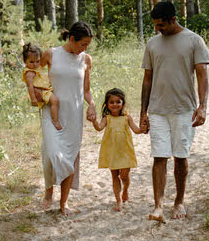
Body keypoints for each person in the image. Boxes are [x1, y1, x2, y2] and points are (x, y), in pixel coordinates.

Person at [139, 1, 209, 221]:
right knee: (159, 157)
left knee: (180, 156)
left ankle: (179, 202)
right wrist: (143, 112)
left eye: (161, 25)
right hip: (158, 110)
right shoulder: (152, 44)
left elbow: (202, 75)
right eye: (155, 25)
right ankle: (158, 206)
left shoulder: (193, 40)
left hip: (183, 109)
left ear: (173, 20)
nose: (157, 29)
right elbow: (147, 79)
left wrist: (203, 106)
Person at [40, 21, 97, 215]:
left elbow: (86, 90)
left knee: (70, 155)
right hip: (51, 111)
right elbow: (35, 79)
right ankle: (49, 189)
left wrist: (92, 104)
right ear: (72, 39)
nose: (85, 48)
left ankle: (63, 203)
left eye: (87, 45)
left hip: (74, 113)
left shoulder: (86, 59)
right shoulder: (50, 54)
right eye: (83, 44)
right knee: (52, 152)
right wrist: (38, 97)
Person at [92, 88, 144, 211]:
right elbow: (99, 128)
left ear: (123, 103)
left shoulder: (127, 118)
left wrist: (144, 127)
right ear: (107, 104)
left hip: (125, 152)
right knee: (115, 176)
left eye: (118, 101)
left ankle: (125, 189)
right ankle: (118, 200)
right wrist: (94, 120)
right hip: (112, 152)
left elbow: (136, 130)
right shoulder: (107, 118)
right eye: (111, 102)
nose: (115, 104)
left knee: (124, 176)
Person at [22, 43, 61, 130]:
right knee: (55, 101)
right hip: (42, 92)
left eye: (37, 61)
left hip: (45, 90)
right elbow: (30, 87)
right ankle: (55, 120)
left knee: (55, 101)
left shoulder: (36, 69)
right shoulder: (29, 73)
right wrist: (33, 99)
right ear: (25, 61)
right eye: (31, 62)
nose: (35, 64)